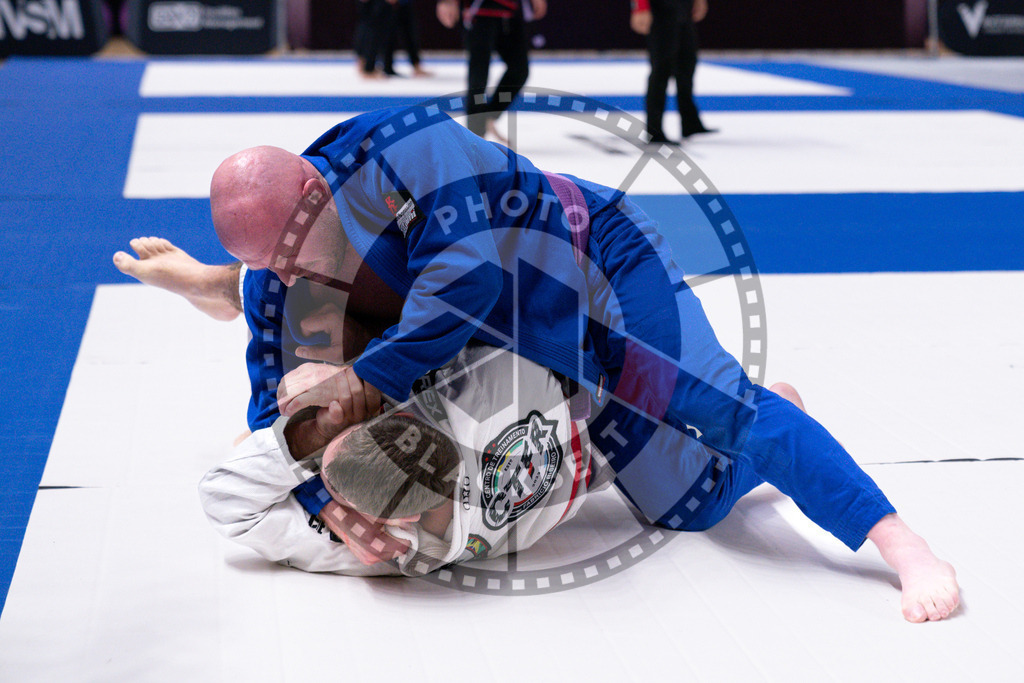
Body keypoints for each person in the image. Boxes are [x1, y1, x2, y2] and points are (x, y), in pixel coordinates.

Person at [119, 103, 960, 621]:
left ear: (318, 191)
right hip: (500, 336)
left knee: (711, 427)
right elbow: (279, 413)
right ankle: (214, 279)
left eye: (294, 253)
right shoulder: (286, 270)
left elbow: (464, 281)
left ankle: (896, 538)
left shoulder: (407, 150)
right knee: (688, 508)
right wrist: (318, 477)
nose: (294, 276)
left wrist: (364, 385)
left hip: (591, 273)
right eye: (275, 269)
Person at [435, 0, 547, 143]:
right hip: (480, 11)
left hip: (509, 11)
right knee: (479, 77)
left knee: (519, 70)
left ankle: (489, 115)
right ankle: (476, 135)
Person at [630, 0, 715, 143]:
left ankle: (690, 122)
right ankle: (654, 130)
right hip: (661, 8)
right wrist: (640, 6)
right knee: (662, 67)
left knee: (687, 62)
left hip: (682, 6)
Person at [382, 0, 433, 77]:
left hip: (404, 3)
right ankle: (386, 67)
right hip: (387, 4)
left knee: (410, 33)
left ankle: (416, 65)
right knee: (388, 34)